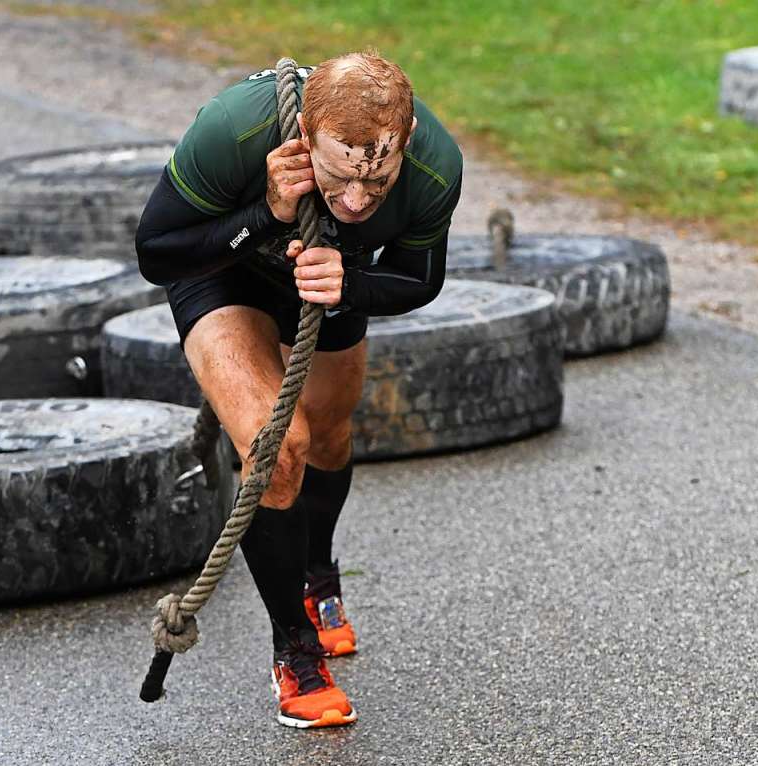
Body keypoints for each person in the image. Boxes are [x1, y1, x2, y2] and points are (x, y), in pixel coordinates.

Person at [135, 50, 462, 729]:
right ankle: (295, 651)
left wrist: (354, 284)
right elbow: (157, 252)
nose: (353, 201)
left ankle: (318, 573)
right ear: (306, 138)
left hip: (327, 278)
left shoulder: (435, 165)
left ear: (403, 143)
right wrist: (266, 210)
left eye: (376, 186)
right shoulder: (235, 128)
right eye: (339, 178)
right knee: (277, 448)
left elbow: (420, 277)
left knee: (332, 433)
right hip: (222, 271)